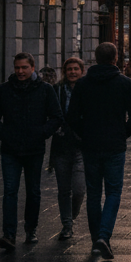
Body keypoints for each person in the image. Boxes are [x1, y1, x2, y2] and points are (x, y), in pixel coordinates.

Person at [67, 42, 131, 260]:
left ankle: (95, 241)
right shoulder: (124, 83)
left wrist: (85, 133)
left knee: (93, 193)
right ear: (115, 58)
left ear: (96, 58)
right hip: (114, 146)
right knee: (113, 192)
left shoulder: (83, 84)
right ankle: (103, 236)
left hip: (90, 145)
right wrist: (122, 133)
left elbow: (72, 117)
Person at [0, 52, 62, 249]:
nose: (20, 71)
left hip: (34, 149)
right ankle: (9, 234)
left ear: (32, 68)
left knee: (33, 191)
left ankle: (31, 229)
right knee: (10, 191)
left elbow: (56, 117)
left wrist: (41, 133)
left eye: (24, 68)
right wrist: (4, 134)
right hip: (10, 149)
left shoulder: (45, 90)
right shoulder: (4, 90)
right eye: (17, 67)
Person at [51, 57, 86, 240]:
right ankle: (67, 225)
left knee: (79, 189)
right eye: (69, 69)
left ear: (82, 71)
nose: (72, 72)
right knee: (64, 189)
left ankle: (71, 215)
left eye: (76, 69)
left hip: (81, 145)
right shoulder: (56, 90)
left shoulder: (88, 89)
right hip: (61, 146)